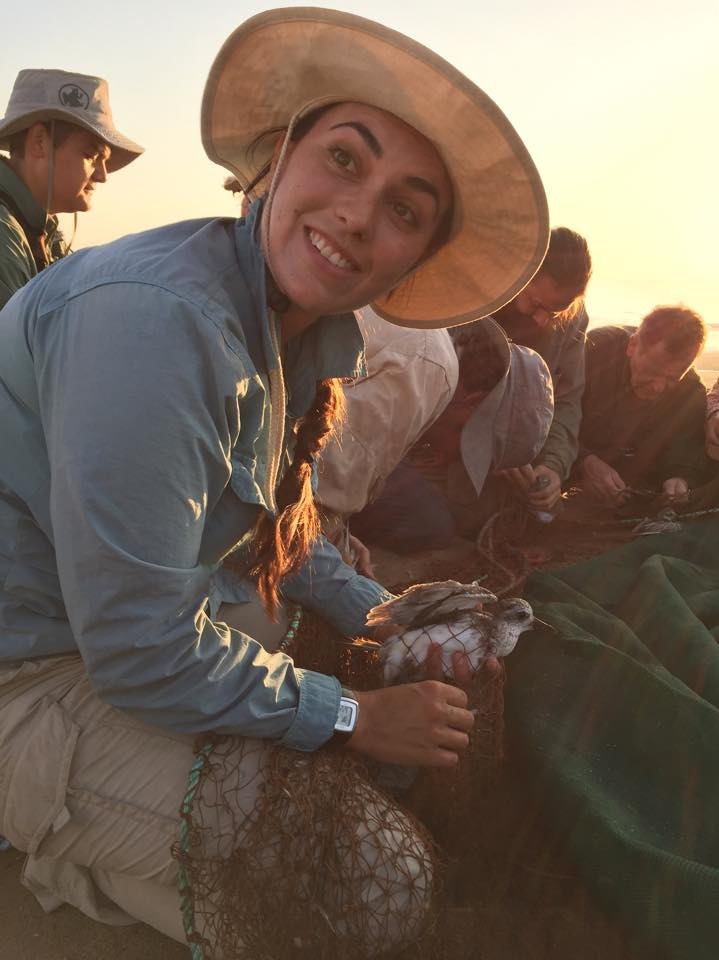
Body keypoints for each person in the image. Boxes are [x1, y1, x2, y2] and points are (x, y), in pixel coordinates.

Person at [0, 7, 548, 953]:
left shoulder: (292, 330)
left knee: (292, 625)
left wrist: (376, 609)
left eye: (404, 208)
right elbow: (139, 647)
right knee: (378, 882)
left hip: (88, 614)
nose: (358, 214)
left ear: (411, 254)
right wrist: (349, 718)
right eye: (345, 159)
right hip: (27, 663)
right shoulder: (156, 321)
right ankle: (59, 837)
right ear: (280, 157)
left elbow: (268, 536)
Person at [346, 318, 554, 551]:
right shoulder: (420, 374)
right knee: (428, 524)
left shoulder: (442, 357)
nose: (453, 457)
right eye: (465, 447)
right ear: (471, 403)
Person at [316, 304, 459, 573]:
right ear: (472, 402)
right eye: (462, 437)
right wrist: (335, 556)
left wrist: (340, 537)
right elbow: (324, 484)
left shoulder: (425, 342)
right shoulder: (428, 364)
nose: (447, 454)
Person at [0, 68, 143, 307]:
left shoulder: (40, 232)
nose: (102, 175)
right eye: (90, 156)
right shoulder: (5, 236)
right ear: (40, 142)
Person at [488, 226, 592, 512]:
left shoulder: (573, 320)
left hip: (523, 459)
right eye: (536, 304)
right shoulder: (479, 296)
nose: (542, 320)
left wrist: (553, 466)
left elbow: (567, 400)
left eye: (555, 311)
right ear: (523, 272)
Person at [572, 306, 707, 506]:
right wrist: (584, 461)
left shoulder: (692, 395)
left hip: (626, 496)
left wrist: (678, 479)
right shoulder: (595, 350)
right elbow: (553, 416)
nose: (658, 387)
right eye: (653, 371)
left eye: (672, 379)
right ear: (632, 345)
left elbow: (685, 455)